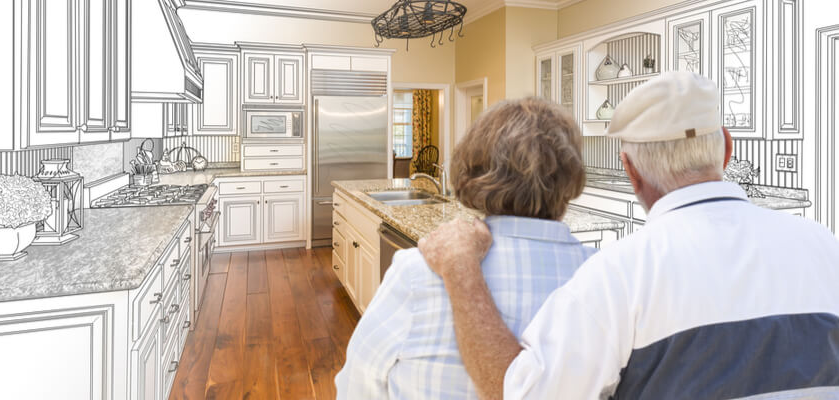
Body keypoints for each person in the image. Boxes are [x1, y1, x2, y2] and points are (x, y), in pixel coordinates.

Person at [418, 72, 839, 399]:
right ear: (726, 148)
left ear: (631, 171)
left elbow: (521, 393)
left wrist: (460, 269)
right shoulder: (827, 249)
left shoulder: (619, 276)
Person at [334, 97, 598, 399]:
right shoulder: (605, 279)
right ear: (570, 175)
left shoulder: (418, 272)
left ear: (473, 169)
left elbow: (355, 387)